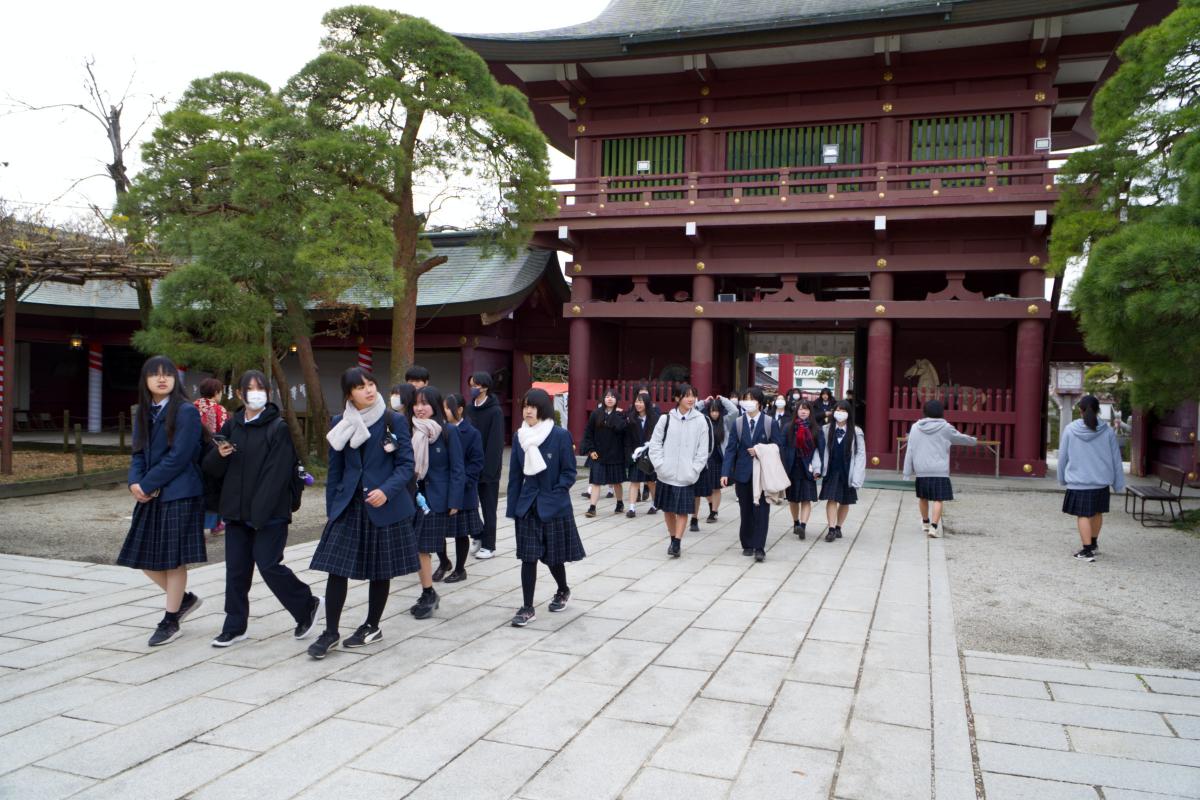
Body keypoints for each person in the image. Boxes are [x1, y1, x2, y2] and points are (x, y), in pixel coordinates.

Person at [203, 370, 322, 647]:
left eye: (261, 388)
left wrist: (257, 515)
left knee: (269, 565)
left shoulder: (277, 427)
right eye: (250, 388)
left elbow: (276, 476)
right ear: (241, 394)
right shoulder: (233, 424)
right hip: (236, 512)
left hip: (269, 514)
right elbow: (211, 468)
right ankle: (234, 625)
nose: (255, 393)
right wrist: (218, 456)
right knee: (236, 570)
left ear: (268, 393)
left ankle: (307, 605)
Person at [307, 368, 418, 658]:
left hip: (383, 503)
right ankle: (330, 631)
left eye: (371, 384)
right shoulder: (340, 423)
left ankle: (372, 625)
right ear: (349, 394)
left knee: (380, 568)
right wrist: (332, 509)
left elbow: (406, 465)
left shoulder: (392, 420)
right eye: (360, 387)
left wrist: (387, 490)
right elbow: (336, 470)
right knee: (336, 567)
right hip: (349, 505)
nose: (369, 390)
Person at [117, 355, 206, 647]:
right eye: (154, 374)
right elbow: (138, 453)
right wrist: (134, 483)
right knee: (143, 558)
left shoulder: (186, 412)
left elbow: (180, 456)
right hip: (151, 493)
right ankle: (183, 600)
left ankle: (170, 620)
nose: (162, 378)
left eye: (167, 373)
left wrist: (149, 483)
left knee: (173, 560)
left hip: (180, 493)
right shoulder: (144, 412)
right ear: (145, 381)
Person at [507, 388, 585, 627]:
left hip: (552, 505)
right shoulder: (520, 436)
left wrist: (556, 492)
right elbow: (514, 476)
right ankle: (527, 607)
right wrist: (513, 509)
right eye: (525, 406)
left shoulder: (559, 435)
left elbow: (569, 472)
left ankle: (562, 589)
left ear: (543, 409)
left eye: (533, 406)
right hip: (528, 506)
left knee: (553, 558)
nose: (528, 410)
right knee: (528, 558)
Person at [409, 385, 466, 612]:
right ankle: (428, 591)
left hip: (437, 498)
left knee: (422, 547)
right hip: (413, 496)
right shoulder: (409, 429)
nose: (420, 408)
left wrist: (455, 500)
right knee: (418, 547)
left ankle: (428, 593)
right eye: (416, 403)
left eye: (425, 404)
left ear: (435, 406)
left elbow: (457, 468)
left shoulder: (447, 431)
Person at [1057, 395, 1124, 562]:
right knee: (1097, 512)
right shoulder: (1107, 431)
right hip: (1101, 481)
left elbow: (1063, 457)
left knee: (1083, 515)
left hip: (1079, 481)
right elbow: (1116, 458)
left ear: (1080, 410)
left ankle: (1086, 551)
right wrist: (1118, 483)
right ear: (1098, 410)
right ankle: (1093, 544)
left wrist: (1062, 478)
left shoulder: (1070, 429)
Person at [721, 386, 784, 562]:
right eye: (745, 399)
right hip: (743, 474)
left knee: (762, 510)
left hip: (762, 474)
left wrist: (760, 450)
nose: (748, 402)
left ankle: (759, 547)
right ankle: (747, 543)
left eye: (752, 399)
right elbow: (731, 449)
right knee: (746, 510)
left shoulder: (770, 423)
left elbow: (778, 447)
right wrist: (725, 472)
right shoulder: (738, 423)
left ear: (760, 403)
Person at [648, 383, 712, 558]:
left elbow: (703, 449)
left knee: (683, 510)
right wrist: (660, 465)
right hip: (666, 474)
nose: (691, 399)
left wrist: (694, 470)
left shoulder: (700, 420)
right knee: (668, 510)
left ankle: (677, 542)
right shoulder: (665, 419)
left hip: (686, 475)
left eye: (693, 395)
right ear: (677, 398)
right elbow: (655, 444)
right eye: (687, 396)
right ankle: (672, 537)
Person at [902, 399, 977, 538]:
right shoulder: (946, 427)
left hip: (921, 470)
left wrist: (907, 473)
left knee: (923, 498)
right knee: (938, 499)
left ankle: (925, 522)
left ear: (924, 412)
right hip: (939, 470)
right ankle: (934, 527)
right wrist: (974, 440)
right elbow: (960, 438)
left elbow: (910, 450)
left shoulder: (915, 427)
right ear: (941, 412)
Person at [442, 393, 483, 581]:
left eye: (448, 408)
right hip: (442, 486)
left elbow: (477, 463)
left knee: (460, 532)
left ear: (459, 409)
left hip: (464, 489)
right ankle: (444, 562)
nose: (444, 412)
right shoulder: (440, 430)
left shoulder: (472, 433)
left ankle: (460, 568)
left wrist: (462, 482)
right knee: (437, 529)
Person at [466, 371, 504, 559]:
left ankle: (489, 545)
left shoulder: (495, 410)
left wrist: (488, 469)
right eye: (471, 385)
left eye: (476, 385)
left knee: (489, 508)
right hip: (470, 467)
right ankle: (477, 535)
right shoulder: (469, 409)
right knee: (470, 505)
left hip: (488, 468)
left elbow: (495, 443)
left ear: (485, 387)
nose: (473, 388)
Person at [819, 400, 866, 543]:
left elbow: (860, 454)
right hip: (832, 469)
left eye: (843, 410)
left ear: (848, 414)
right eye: (837, 410)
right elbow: (821, 450)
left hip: (848, 470)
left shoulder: (856, 431)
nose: (840, 413)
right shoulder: (826, 429)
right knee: (832, 498)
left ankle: (839, 526)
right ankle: (831, 529)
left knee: (845, 501)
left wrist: (858, 475)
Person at [580, 388, 627, 518]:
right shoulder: (596, 414)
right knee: (596, 481)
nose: (610, 399)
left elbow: (622, 429)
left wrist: (616, 416)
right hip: (598, 453)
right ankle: (592, 507)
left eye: (612, 397)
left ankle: (619, 503)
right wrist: (590, 450)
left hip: (615, 453)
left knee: (617, 481)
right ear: (603, 399)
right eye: (607, 396)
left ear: (616, 400)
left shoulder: (621, 415)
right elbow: (588, 433)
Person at [783, 400, 825, 540]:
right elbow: (782, 448)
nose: (803, 412)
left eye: (806, 410)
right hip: (792, 467)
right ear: (797, 411)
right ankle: (796, 522)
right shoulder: (788, 427)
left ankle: (803, 526)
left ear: (810, 412)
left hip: (808, 469)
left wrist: (819, 469)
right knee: (793, 499)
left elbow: (821, 450)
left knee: (806, 499)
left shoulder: (816, 429)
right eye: (801, 409)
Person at [194, 378, 228, 535]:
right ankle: (215, 524)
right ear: (216, 392)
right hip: (213, 452)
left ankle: (196, 523)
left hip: (194, 452)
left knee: (198, 486)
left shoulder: (192, 406)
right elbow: (223, 431)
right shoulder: (219, 409)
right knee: (215, 486)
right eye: (221, 391)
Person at [623, 392, 660, 518]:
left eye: (641, 402)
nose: (638, 404)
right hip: (635, 454)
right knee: (634, 481)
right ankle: (632, 508)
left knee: (650, 482)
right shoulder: (631, 418)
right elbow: (627, 439)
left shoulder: (655, 418)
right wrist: (629, 454)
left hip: (650, 455)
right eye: (636, 401)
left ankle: (654, 504)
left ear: (647, 403)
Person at [701, 399, 730, 523]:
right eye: (712, 411)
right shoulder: (703, 421)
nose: (714, 414)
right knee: (706, 487)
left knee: (716, 488)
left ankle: (713, 512)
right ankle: (712, 505)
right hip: (706, 459)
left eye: (717, 411)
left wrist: (723, 399)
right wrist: (703, 401)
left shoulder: (725, 422)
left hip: (718, 458)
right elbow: (694, 409)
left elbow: (734, 410)